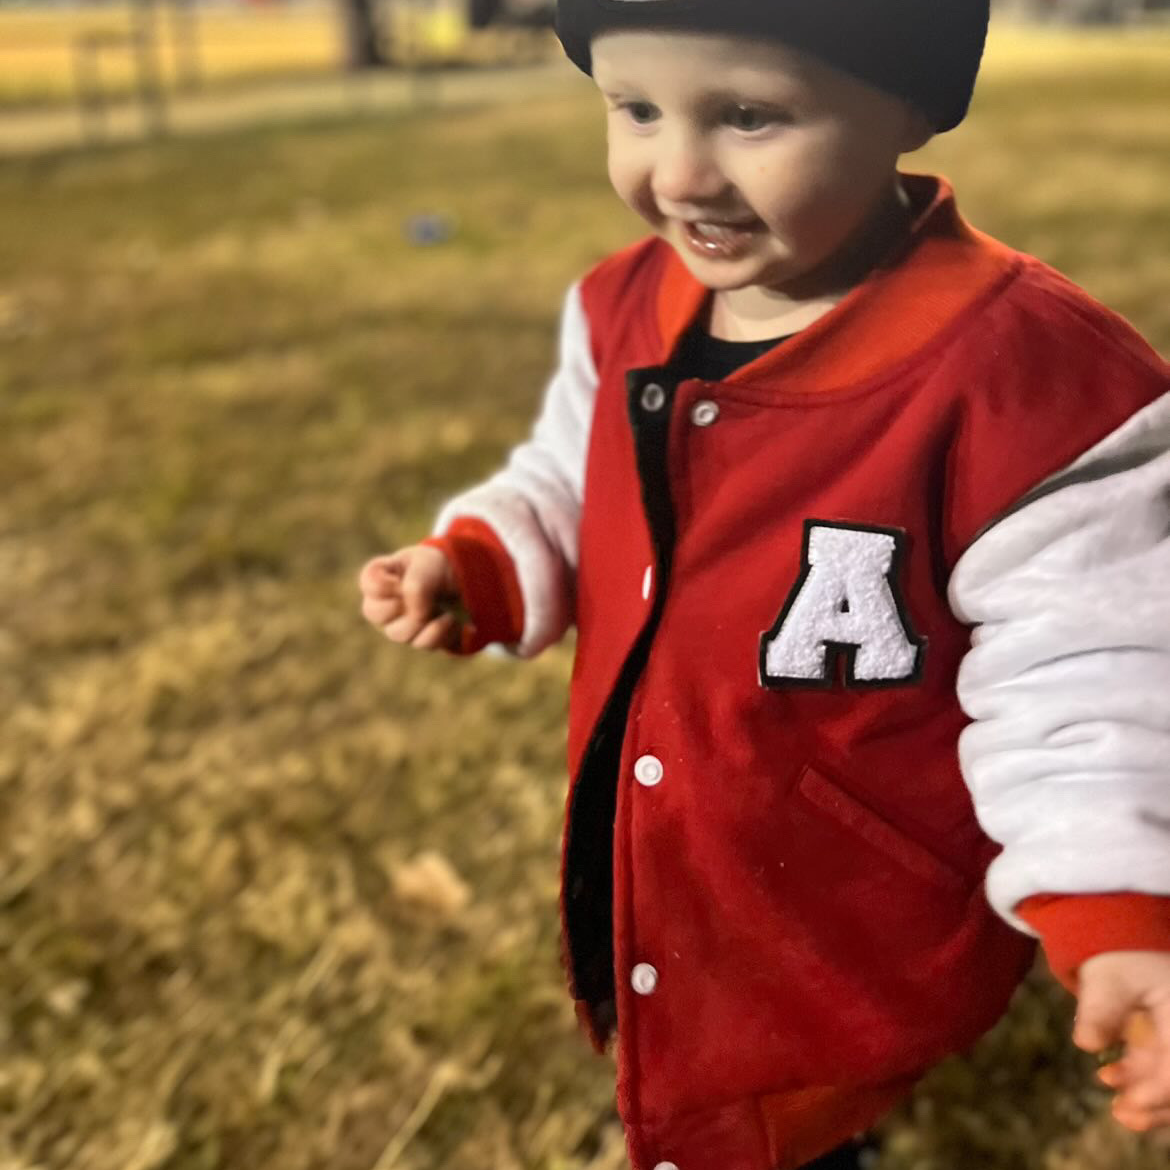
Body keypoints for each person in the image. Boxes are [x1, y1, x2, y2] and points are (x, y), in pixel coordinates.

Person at [359, 2, 1170, 1166]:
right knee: (692, 1048)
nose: (678, 172)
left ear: (908, 105)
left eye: (747, 115)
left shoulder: (1030, 386)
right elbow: (571, 470)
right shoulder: (627, 306)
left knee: (789, 1101)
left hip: (842, 916)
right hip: (680, 856)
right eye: (634, 108)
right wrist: (486, 557)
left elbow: (1095, 665)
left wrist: (1121, 899)